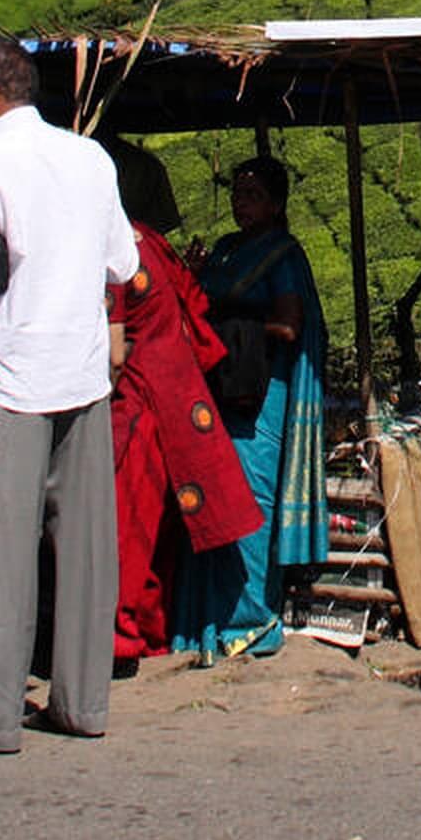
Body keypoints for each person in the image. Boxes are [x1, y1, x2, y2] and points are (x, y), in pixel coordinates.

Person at [0, 40, 138, 755]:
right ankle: (82, 704)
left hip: (12, 372)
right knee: (84, 550)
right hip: (82, 372)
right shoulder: (89, 158)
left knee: (2, 552)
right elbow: (122, 262)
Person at [101, 138, 258, 666]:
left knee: (127, 529)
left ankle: (120, 637)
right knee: (154, 531)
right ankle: (149, 630)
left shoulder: (119, 248)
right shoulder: (152, 245)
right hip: (176, 402)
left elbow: (113, 342)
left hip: (138, 406)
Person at [171, 156, 329, 663]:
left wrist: (232, 333)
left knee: (250, 503)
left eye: (253, 194)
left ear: (277, 202)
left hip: (260, 394)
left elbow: (288, 326)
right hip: (220, 388)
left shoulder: (282, 256)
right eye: (238, 193)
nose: (242, 202)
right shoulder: (224, 251)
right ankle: (207, 621)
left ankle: (251, 621)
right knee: (214, 500)